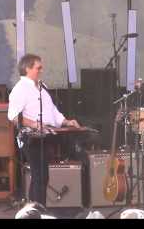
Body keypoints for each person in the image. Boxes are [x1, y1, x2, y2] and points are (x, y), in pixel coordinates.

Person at [8, 54, 99, 207]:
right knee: (40, 176)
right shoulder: (20, 89)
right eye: (38, 68)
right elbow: (13, 116)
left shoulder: (42, 87)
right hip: (31, 138)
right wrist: (35, 124)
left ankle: (34, 209)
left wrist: (66, 121)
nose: (41, 70)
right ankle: (38, 211)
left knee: (41, 176)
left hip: (46, 136)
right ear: (28, 69)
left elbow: (52, 111)